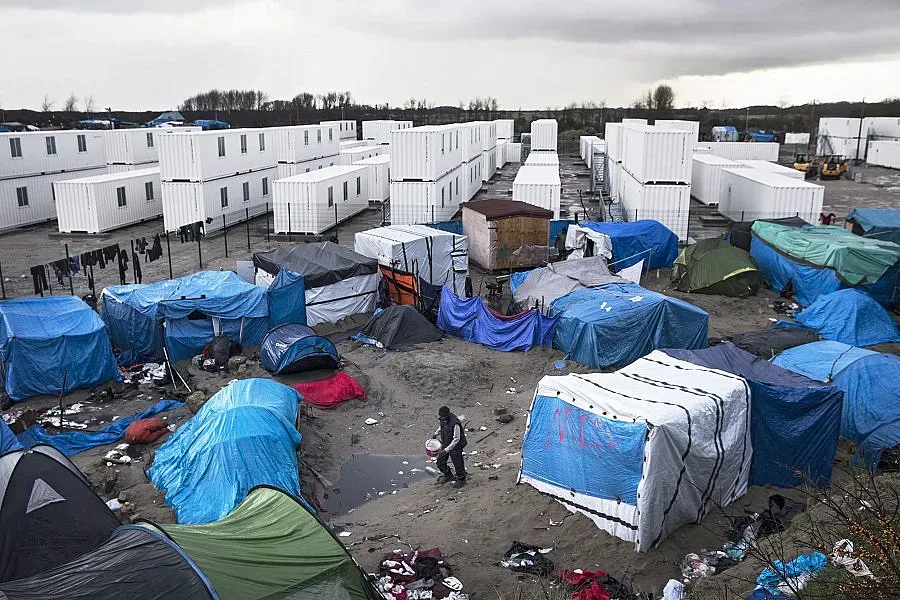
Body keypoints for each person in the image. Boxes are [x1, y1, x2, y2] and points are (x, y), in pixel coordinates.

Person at [434, 405, 467, 488]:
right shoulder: (443, 419)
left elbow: (456, 438)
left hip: (456, 445)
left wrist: (447, 449)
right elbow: (441, 427)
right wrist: (435, 434)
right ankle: (448, 475)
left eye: (443, 416)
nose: (442, 418)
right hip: (446, 442)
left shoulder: (455, 423)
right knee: (440, 461)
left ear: (447, 415)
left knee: (458, 463)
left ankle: (461, 479)